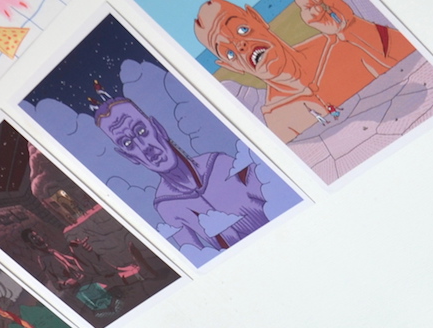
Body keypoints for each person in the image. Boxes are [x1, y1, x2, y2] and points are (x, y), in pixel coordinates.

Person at [194, 0, 414, 140]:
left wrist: (352, 27)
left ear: (258, 19)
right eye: (229, 53)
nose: (241, 46)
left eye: (242, 29)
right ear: (230, 66)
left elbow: (413, 60)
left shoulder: (339, 42)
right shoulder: (279, 120)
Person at [94, 97, 267, 252]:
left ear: (158, 129)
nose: (144, 147)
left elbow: (275, 196)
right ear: (129, 156)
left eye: (141, 131)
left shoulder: (220, 163)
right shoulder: (166, 206)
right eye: (128, 143)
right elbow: (198, 256)